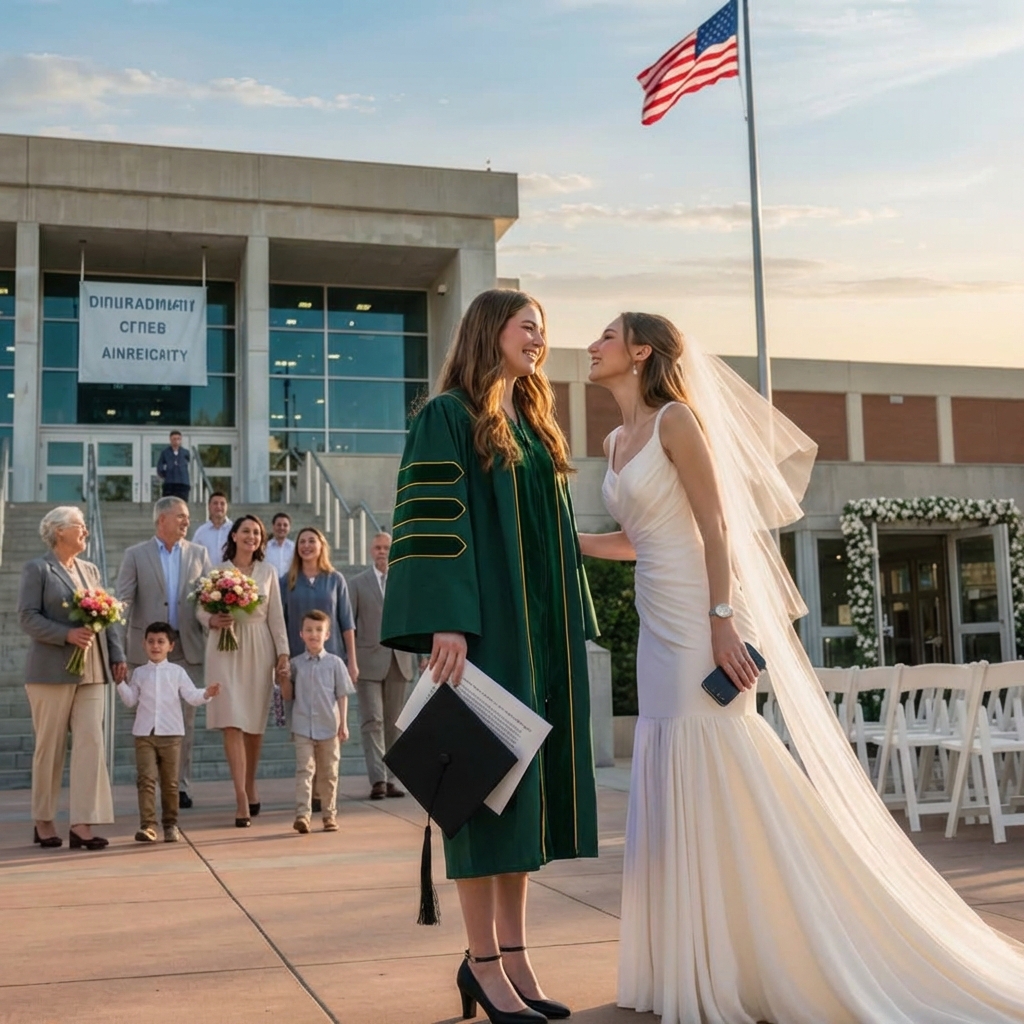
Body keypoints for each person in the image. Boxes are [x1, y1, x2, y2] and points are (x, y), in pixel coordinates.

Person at [580, 312, 1024, 1024]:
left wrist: (723, 621)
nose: (592, 345)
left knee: (723, 757)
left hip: (701, 618)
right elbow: (640, 540)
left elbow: (717, 525)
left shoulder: (676, 423)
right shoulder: (612, 439)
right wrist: (567, 542)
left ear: (639, 351)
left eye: (606, 335)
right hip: (655, 622)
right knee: (670, 761)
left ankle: (778, 945)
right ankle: (697, 955)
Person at [381, 289, 598, 1024]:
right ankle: (481, 962)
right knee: (481, 792)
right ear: (489, 331)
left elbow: (554, 535)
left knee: (523, 797)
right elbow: (431, 521)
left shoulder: (534, 426)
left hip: (537, 631)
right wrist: (445, 619)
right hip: (483, 632)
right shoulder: (448, 416)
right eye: (527, 325)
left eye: (544, 327)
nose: (539, 338)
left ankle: (514, 954)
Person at [17, 506, 124, 851]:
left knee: (91, 745)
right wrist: (66, 635)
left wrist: (118, 655)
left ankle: (82, 823)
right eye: (80, 526)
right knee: (50, 748)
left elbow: (105, 615)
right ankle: (44, 820)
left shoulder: (90, 570)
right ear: (59, 531)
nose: (85, 532)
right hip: (50, 672)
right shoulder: (37, 569)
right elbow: (27, 617)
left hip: (93, 670)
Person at [113, 496, 211, 809]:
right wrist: (118, 650)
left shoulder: (199, 553)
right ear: (161, 520)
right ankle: (150, 782)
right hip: (146, 652)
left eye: (187, 517)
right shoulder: (135, 555)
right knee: (147, 721)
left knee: (186, 721)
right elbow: (123, 603)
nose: (186, 521)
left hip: (186, 648)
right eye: (180, 516)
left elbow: (207, 600)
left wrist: (216, 620)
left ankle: (180, 785)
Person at [198, 514, 290, 827]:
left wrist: (283, 654)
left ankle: (251, 783)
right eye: (246, 531)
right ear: (234, 535)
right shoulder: (217, 571)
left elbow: (276, 617)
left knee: (253, 724)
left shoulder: (268, 571)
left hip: (259, 648)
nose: (252, 536)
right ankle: (240, 796)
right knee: (231, 721)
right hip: (224, 648)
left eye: (257, 533)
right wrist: (211, 620)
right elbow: (199, 607)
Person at [117, 622, 221, 843]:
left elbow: (191, 696)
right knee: (145, 779)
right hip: (145, 734)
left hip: (171, 734)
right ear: (144, 644)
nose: (156, 646)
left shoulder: (177, 672)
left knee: (170, 782)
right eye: (151, 641)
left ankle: (170, 824)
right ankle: (148, 826)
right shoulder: (139, 673)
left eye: (161, 642)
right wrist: (119, 683)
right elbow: (130, 700)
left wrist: (207, 693)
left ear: (170, 646)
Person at [281, 526, 360, 815]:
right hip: (297, 665)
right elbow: (279, 623)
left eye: (311, 541)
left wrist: (351, 660)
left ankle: (321, 796)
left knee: (328, 731)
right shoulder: (286, 581)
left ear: (321, 545)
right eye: (301, 542)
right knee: (303, 728)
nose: (306, 546)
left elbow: (347, 622)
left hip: (331, 662)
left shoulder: (335, 580)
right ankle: (308, 791)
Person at [350, 531, 414, 800]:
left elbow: (413, 619)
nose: (382, 551)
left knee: (394, 723)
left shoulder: (404, 581)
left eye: (386, 547)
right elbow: (349, 625)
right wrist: (350, 660)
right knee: (372, 720)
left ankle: (391, 779)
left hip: (399, 661)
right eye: (377, 547)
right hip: (368, 661)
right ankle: (377, 779)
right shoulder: (356, 583)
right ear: (370, 550)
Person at [281, 609, 354, 834]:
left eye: (319, 630)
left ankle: (329, 815)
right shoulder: (295, 664)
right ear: (301, 634)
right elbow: (287, 695)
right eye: (309, 630)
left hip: (329, 726)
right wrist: (283, 678)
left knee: (329, 772)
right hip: (303, 725)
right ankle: (303, 814)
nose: (314, 634)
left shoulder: (335, 664)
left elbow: (342, 694)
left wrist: (344, 724)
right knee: (305, 770)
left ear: (327, 635)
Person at [192, 491, 231, 567]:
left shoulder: (235, 530)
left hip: (231, 576)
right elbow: (194, 556)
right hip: (207, 577)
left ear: (227, 507)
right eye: (215, 503)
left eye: (222, 504)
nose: (219, 506)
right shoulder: (201, 532)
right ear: (209, 506)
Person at [156, 430, 191, 502]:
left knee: (182, 503)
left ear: (181, 440)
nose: (176, 441)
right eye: (174, 439)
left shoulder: (185, 452)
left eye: (178, 439)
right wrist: (165, 474)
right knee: (168, 504)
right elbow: (160, 466)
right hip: (170, 483)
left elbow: (188, 462)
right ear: (170, 440)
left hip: (183, 483)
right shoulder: (165, 452)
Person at [264, 512, 295, 577]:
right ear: (273, 526)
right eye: (279, 525)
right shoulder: (265, 547)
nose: (282, 527)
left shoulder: (294, 547)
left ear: (289, 528)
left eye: (285, 525)